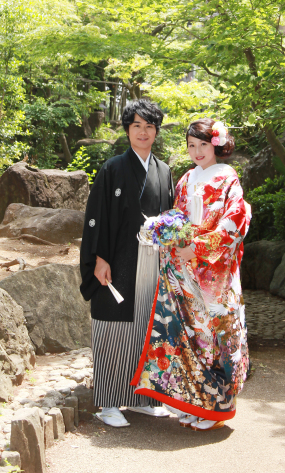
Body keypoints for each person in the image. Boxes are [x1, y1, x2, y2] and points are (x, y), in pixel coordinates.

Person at [131, 118, 251, 431]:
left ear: (216, 145)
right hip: (185, 270)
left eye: (202, 144)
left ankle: (217, 410)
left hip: (215, 274)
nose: (197, 151)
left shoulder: (227, 178)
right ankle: (196, 403)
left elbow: (235, 221)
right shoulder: (186, 179)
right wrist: (164, 232)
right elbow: (178, 216)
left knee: (214, 336)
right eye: (191, 145)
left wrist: (197, 246)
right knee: (189, 336)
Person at [79, 99, 175, 427]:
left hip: (153, 261)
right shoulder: (113, 168)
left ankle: (145, 397)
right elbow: (97, 217)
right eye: (137, 126)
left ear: (156, 130)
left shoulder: (163, 171)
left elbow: (170, 217)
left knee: (147, 327)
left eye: (149, 126)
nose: (143, 132)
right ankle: (108, 402)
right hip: (118, 259)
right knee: (113, 326)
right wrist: (99, 258)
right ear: (127, 130)